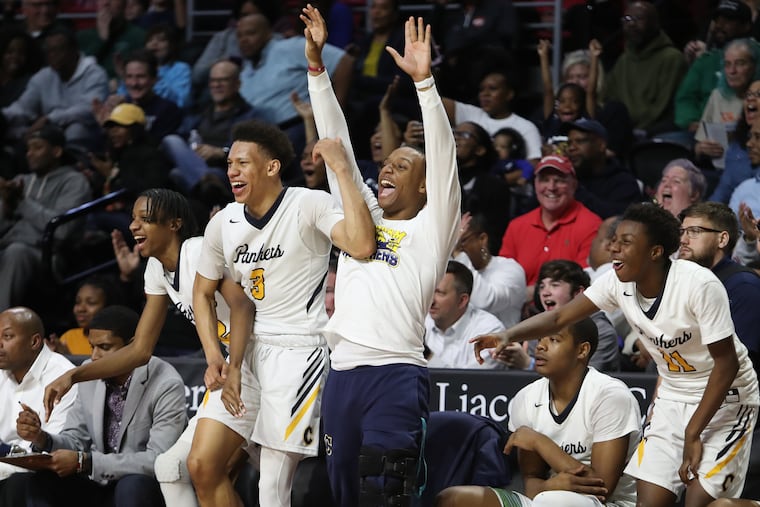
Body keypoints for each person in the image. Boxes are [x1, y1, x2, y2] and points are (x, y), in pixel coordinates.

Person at [474, 202, 759, 507]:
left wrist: (692, 433)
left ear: (655, 251)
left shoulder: (698, 284)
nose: (613, 249)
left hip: (727, 398)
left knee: (700, 503)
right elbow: (560, 318)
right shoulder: (616, 283)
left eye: (626, 242)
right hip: (675, 397)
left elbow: (726, 365)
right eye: (614, 240)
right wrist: (507, 334)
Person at [303, 7, 460, 506]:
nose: (387, 170)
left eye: (402, 166)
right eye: (387, 164)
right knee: (344, 493)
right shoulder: (364, 218)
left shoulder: (433, 226)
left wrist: (425, 84)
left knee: (384, 491)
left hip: (395, 373)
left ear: (425, 184)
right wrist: (317, 70)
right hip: (342, 376)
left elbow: (442, 152)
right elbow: (338, 150)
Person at [193, 102, 376, 507]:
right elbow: (202, 293)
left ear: (272, 167)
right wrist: (214, 358)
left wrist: (342, 171)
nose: (232, 171)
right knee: (202, 466)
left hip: (298, 352)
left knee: (272, 486)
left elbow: (363, 244)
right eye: (228, 163)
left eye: (243, 162)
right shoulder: (223, 222)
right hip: (244, 352)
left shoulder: (307, 204)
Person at [42, 188, 256, 507]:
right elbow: (139, 350)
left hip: (259, 362)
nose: (133, 226)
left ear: (174, 223)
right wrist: (74, 375)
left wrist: (230, 364)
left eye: (144, 218)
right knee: (171, 468)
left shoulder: (197, 251)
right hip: (233, 368)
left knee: (248, 476)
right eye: (132, 219)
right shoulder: (156, 271)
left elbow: (243, 308)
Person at [438, 317, 640, 507]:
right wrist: (549, 487)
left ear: (582, 350)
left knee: (553, 502)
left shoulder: (610, 396)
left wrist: (539, 442)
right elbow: (531, 483)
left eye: (553, 339)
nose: (541, 346)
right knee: (453, 499)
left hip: (609, 503)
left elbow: (602, 488)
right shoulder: (526, 398)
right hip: (545, 498)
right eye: (540, 339)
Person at [13, 305, 187, 507]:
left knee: (132, 486)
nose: (94, 357)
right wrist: (42, 438)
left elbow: (157, 460)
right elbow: (76, 440)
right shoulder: (89, 373)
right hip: (97, 483)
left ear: (133, 346)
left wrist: (86, 462)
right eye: (92, 347)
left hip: (143, 485)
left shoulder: (166, 383)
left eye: (104, 347)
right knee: (40, 482)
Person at [0, 124, 92, 311]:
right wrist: (7, 206)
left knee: (17, 252)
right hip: (9, 245)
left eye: (37, 147)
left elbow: (62, 231)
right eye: (28, 148)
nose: (29, 154)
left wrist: (22, 203)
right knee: (14, 250)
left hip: (47, 256)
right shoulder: (21, 181)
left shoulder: (74, 182)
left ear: (56, 151)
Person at [0, 307, 78, 502]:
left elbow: (56, 451)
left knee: (18, 483)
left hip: (38, 477)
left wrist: (37, 435)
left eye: (7, 336)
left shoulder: (63, 378)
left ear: (34, 341)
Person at [498, 154, 602, 298]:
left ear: (574, 184)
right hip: (518, 312)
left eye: (559, 180)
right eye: (544, 180)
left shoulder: (591, 225)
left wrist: (528, 295)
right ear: (535, 184)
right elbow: (504, 279)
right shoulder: (517, 226)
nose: (551, 187)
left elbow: (582, 283)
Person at [1, 27, 108, 151]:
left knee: (77, 129)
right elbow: (23, 108)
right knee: (11, 128)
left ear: (74, 50)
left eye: (58, 50)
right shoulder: (44, 75)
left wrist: (50, 119)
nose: (52, 55)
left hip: (86, 134)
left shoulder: (95, 73)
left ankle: (76, 165)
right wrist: (3, 116)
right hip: (50, 132)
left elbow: (88, 109)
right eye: (49, 51)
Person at [603, 1, 687, 134]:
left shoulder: (672, 58)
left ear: (655, 23)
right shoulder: (623, 60)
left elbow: (663, 108)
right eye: (627, 19)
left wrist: (635, 131)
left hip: (658, 131)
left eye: (638, 18)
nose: (631, 24)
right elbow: (609, 99)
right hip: (624, 132)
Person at [425, 261, 505, 369]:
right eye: (429, 291)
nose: (431, 300)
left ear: (462, 300)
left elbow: (471, 381)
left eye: (440, 293)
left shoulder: (490, 331)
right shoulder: (420, 321)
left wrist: (427, 355)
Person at [453, 213, 525, 328]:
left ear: (482, 239)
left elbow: (484, 301)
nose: (455, 247)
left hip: (501, 342)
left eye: (462, 240)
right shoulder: (451, 272)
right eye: (451, 242)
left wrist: (458, 254)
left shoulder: (509, 268)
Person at [562, 118, 642, 218]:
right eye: (569, 143)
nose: (571, 148)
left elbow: (616, 221)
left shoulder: (624, 182)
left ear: (601, 145)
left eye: (580, 141)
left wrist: (577, 190)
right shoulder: (566, 178)